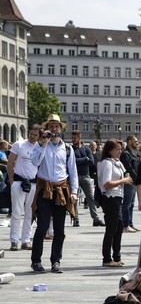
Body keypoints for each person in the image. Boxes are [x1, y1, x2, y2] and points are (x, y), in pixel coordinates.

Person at [30, 114, 79, 274]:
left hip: (61, 190)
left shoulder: (67, 148)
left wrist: (73, 191)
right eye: (51, 126)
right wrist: (43, 143)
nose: (54, 129)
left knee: (59, 229)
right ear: (46, 128)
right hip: (45, 189)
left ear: (60, 129)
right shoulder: (39, 145)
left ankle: (56, 261)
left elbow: (72, 171)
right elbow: (35, 162)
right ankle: (36, 261)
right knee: (42, 226)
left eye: (56, 126)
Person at [98, 139, 132, 267]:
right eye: (117, 149)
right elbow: (107, 184)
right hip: (110, 198)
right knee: (112, 228)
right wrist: (123, 180)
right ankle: (106, 258)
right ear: (110, 150)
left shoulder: (117, 163)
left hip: (118, 197)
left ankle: (116, 256)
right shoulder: (107, 163)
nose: (119, 151)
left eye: (120, 149)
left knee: (119, 228)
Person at [7, 125, 41, 251]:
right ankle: (14, 241)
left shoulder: (39, 148)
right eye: (31, 134)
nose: (32, 136)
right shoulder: (19, 144)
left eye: (35, 135)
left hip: (33, 183)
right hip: (19, 181)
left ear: (39, 136)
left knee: (30, 213)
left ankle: (26, 240)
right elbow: (10, 163)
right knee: (16, 212)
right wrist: (11, 181)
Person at [71, 131, 104, 227]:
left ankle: (96, 219)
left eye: (75, 138)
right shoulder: (71, 149)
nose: (73, 140)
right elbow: (72, 162)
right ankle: (75, 218)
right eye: (72, 138)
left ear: (79, 137)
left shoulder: (86, 149)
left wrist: (82, 160)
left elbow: (91, 161)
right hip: (74, 176)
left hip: (86, 176)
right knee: (74, 198)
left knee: (91, 198)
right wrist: (84, 159)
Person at [120, 135, 140, 233]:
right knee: (126, 204)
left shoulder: (132, 153)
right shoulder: (125, 154)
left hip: (133, 182)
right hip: (129, 181)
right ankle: (125, 225)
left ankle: (130, 223)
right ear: (129, 142)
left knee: (131, 204)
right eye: (135, 141)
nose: (137, 143)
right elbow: (129, 168)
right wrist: (137, 178)